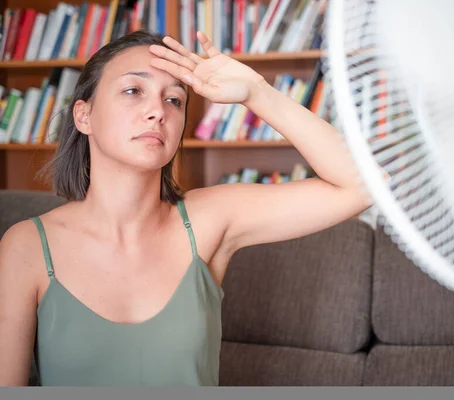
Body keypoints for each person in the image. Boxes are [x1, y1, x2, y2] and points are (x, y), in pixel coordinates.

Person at [0, 29, 371, 386]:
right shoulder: (26, 247)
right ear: (83, 116)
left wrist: (256, 93)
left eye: (174, 99)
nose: (157, 111)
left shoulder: (209, 220)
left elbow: (363, 186)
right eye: (133, 90)